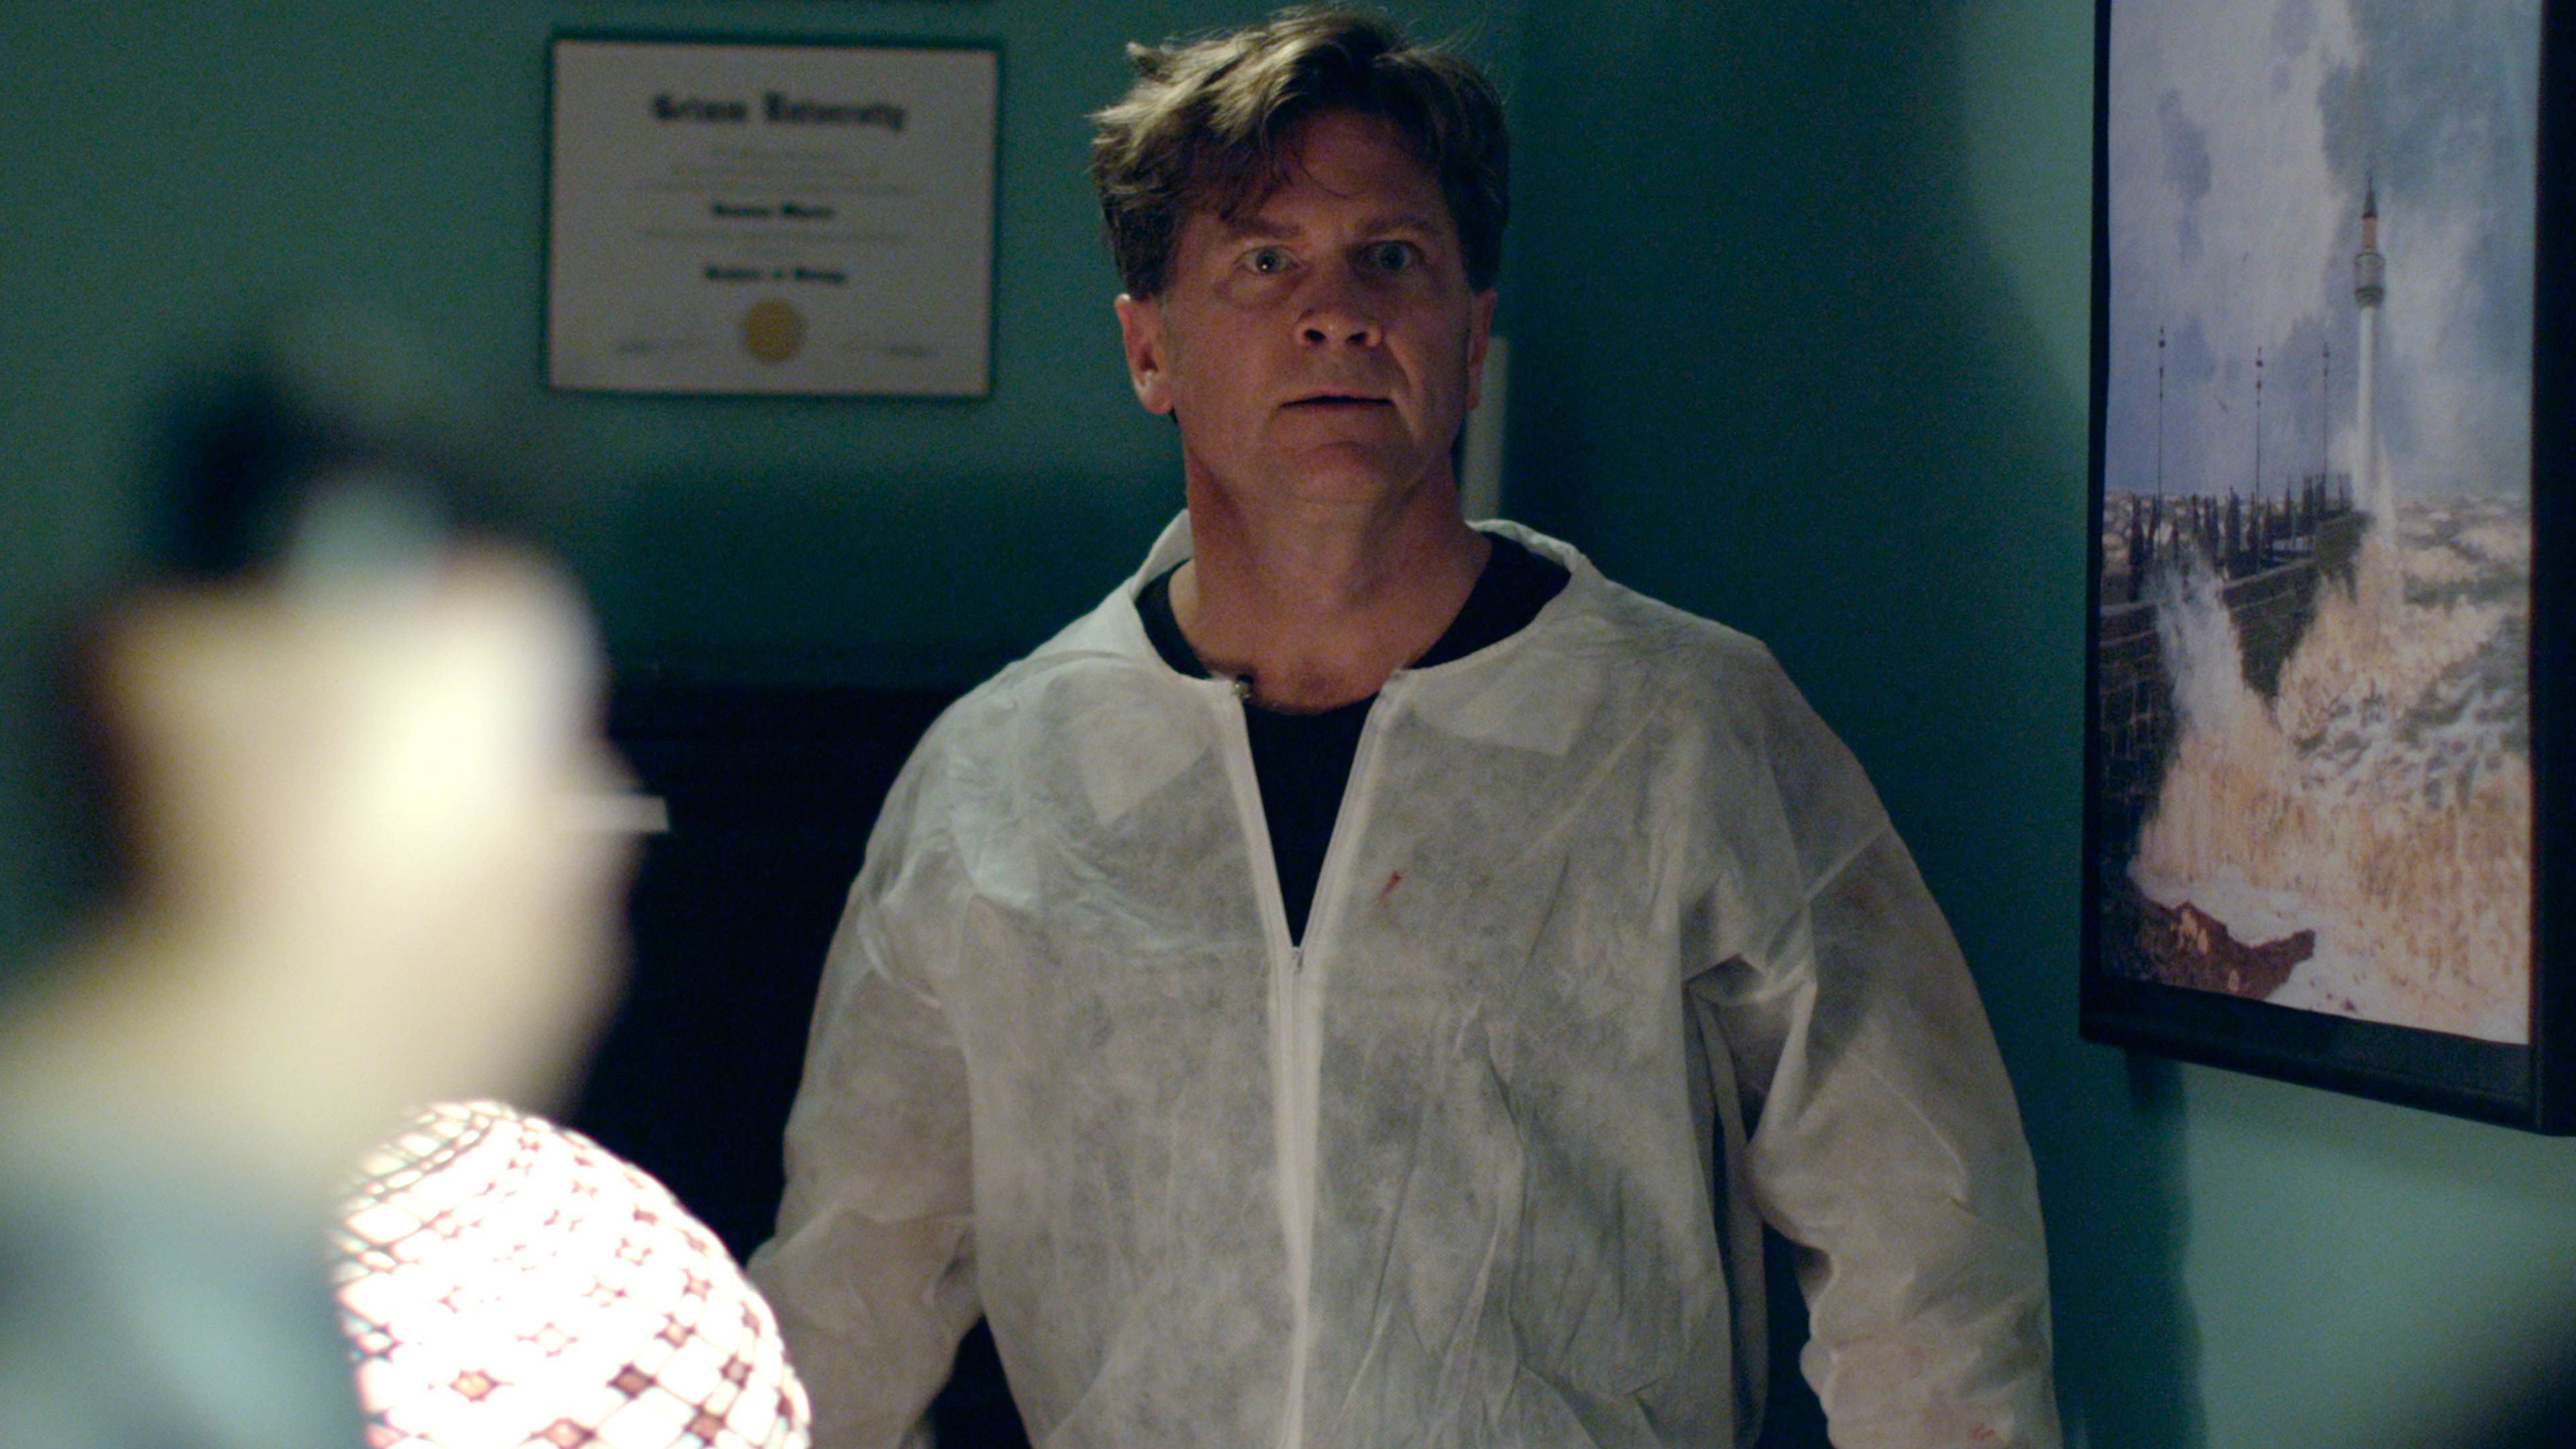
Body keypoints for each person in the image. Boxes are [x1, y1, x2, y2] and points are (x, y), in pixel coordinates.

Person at [749, 11, 2059, 1447]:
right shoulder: (1000, 785)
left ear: (1470, 334)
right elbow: (853, 1287)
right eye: (1265, 262)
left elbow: (1927, 1254)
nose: (1337, 313)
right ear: (1150, 349)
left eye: (1392, 257)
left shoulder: (1686, 732)